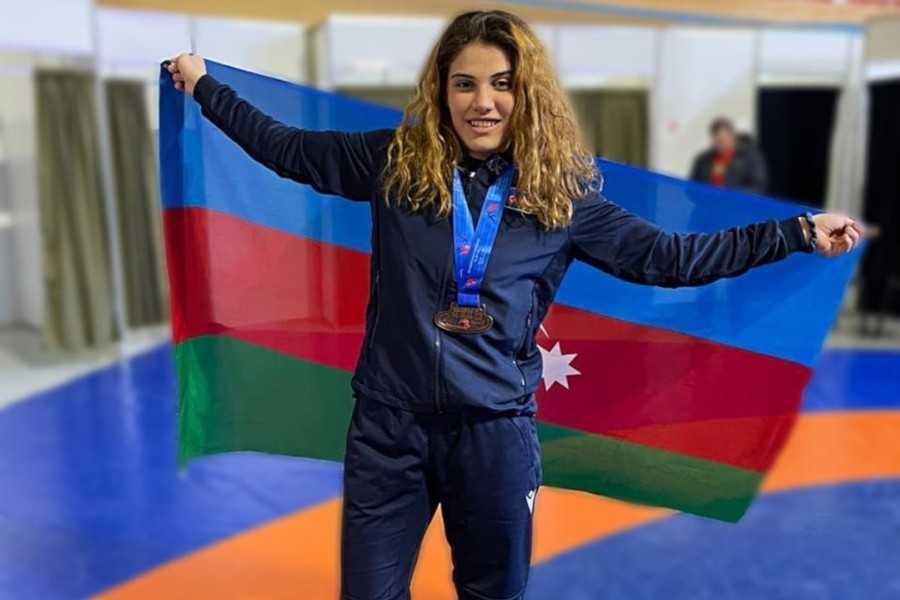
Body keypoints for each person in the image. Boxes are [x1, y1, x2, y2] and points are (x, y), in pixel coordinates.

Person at [166, 10, 865, 600]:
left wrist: (796, 232)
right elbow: (287, 149)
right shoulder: (395, 163)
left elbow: (670, 260)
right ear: (441, 90)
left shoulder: (562, 197)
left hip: (493, 436)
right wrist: (206, 87)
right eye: (464, 83)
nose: (483, 102)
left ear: (527, 93)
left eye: (502, 83)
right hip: (388, 430)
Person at [690, 116, 768, 193]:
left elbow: (757, 187)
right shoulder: (703, 161)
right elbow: (692, 188)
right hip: (708, 200)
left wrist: (729, 192)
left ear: (732, 136)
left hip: (736, 201)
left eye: (723, 139)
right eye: (717, 140)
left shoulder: (751, 158)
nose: (720, 143)